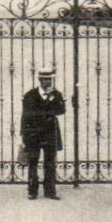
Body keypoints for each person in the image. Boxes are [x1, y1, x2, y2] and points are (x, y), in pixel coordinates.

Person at [19, 68, 67, 200]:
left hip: (50, 133)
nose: (47, 82)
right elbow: (25, 115)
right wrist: (23, 134)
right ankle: (32, 191)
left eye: (49, 79)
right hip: (33, 133)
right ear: (40, 80)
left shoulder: (55, 94)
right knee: (33, 162)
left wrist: (53, 98)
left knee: (50, 162)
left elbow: (61, 111)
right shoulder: (30, 95)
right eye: (45, 80)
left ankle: (50, 191)